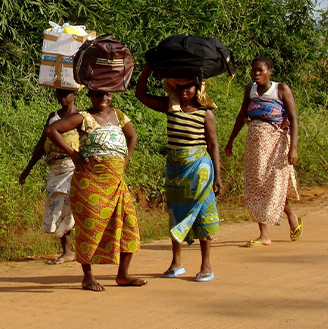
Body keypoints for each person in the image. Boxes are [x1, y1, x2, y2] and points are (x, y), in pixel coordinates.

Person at [45, 89, 144, 291]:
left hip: (116, 182)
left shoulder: (119, 115)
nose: (103, 99)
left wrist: (125, 161)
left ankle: (123, 275)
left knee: (128, 224)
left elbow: (132, 136)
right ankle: (88, 277)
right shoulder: (83, 118)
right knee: (89, 227)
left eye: (107, 95)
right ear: (90, 96)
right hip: (89, 182)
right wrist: (73, 153)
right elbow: (52, 131)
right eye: (99, 95)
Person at [135, 64, 222, 282]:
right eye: (179, 86)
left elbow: (213, 145)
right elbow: (140, 95)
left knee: (203, 214)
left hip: (200, 169)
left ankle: (206, 264)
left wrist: (218, 176)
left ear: (197, 88)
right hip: (175, 169)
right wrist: (147, 68)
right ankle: (176, 262)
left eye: (189, 86)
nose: (184, 91)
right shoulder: (170, 107)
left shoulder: (205, 113)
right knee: (176, 213)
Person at [224, 57, 301, 246]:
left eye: (260, 70)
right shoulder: (249, 89)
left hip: (276, 144)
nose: (256, 74)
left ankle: (290, 215)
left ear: (270, 72)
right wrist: (230, 141)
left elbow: (293, 119)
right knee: (257, 184)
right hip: (255, 144)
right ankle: (264, 234)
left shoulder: (281, 89)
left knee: (274, 184)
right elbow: (242, 115)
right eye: (253, 71)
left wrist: (293, 149)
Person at [19, 88, 79, 265]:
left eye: (66, 94)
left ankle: (84, 249)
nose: (62, 97)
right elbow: (41, 142)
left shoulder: (81, 117)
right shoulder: (53, 116)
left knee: (73, 206)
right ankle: (67, 251)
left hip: (74, 166)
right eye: (59, 94)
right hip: (55, 166)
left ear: (75, 95)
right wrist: (28, 168)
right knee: (59, 207)